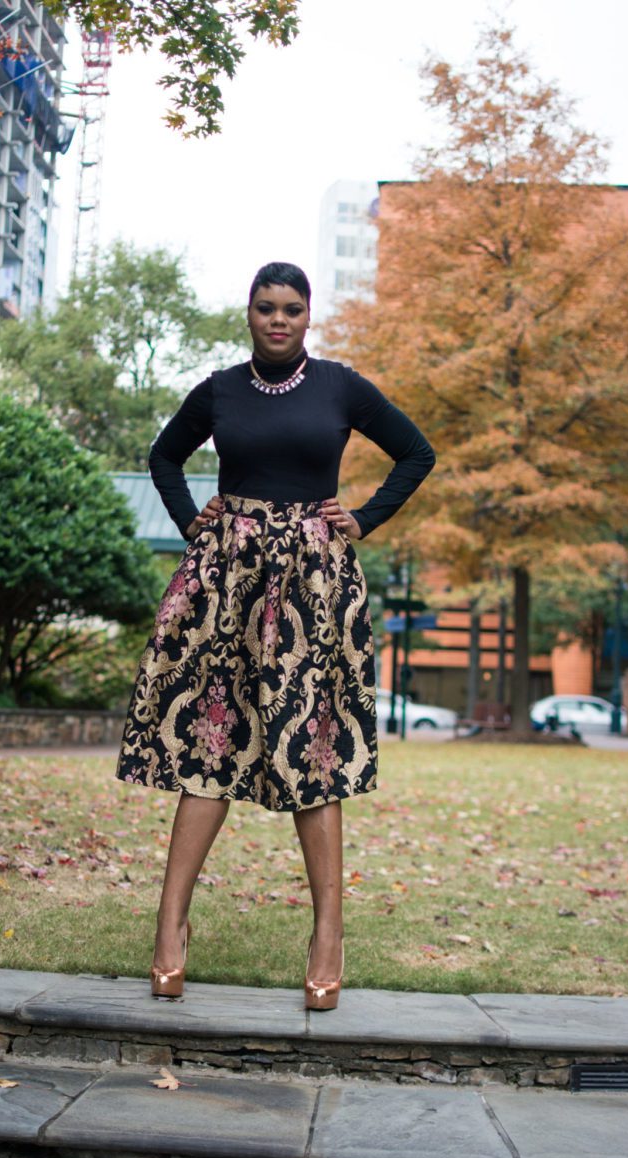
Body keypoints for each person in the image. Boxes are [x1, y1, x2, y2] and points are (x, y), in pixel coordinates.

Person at [115, 262, 435, 1010]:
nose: (279, 319)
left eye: (292, 308)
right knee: (210, 742)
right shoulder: (220, 389)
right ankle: (170, 927)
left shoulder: (341, 387)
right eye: (266, 307)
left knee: (311, 749)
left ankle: (328, 936)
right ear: (250, 313)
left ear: (308, 315)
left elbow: (416, 452)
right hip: (227, 582)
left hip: (313, 589)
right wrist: (189, 519)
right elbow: (164, 455)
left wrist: (366, 517)